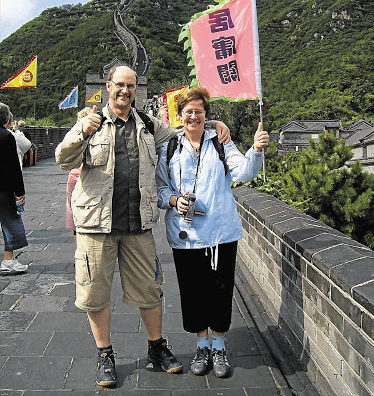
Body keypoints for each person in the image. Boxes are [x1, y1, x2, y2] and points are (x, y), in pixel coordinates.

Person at [55, 65, 230, 388]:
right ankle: (105, 354)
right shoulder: (90, 123)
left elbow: (185, 129)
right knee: (96, 294)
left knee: (149, 291)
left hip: (138, 225)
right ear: (108, 87)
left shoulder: (149, 124)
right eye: (119, 85)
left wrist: (214, 122)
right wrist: (80, 130)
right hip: (97, 225)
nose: (125, 91)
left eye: (131, 86)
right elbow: (63, 159)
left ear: (137, 89)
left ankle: (156, 347)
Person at [155, 85, 269, 378]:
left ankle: (219, 346)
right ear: (180, 115)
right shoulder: (169, 146)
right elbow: (159, 187)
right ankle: (201, 344)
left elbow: (243, 173)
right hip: (184, 235)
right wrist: (172, 200)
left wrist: (255, 149)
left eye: (199, 111)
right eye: (188, 111)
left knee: (219, 291)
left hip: (219, 233)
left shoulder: (219, 142)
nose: (194, 116)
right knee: (192, 294)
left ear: (206, 114)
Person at [0, 103, 29, 275]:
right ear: (6, 119)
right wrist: (20, 192)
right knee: (11, 224)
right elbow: (14, 168)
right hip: (4, 190)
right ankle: (8, 260)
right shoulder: (6, 136)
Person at [65, 108, 92, 246]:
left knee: (73, 210)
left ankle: (78, 249)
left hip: (73, 175)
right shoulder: (96, 132)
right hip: (88, 175)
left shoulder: (75, 133)